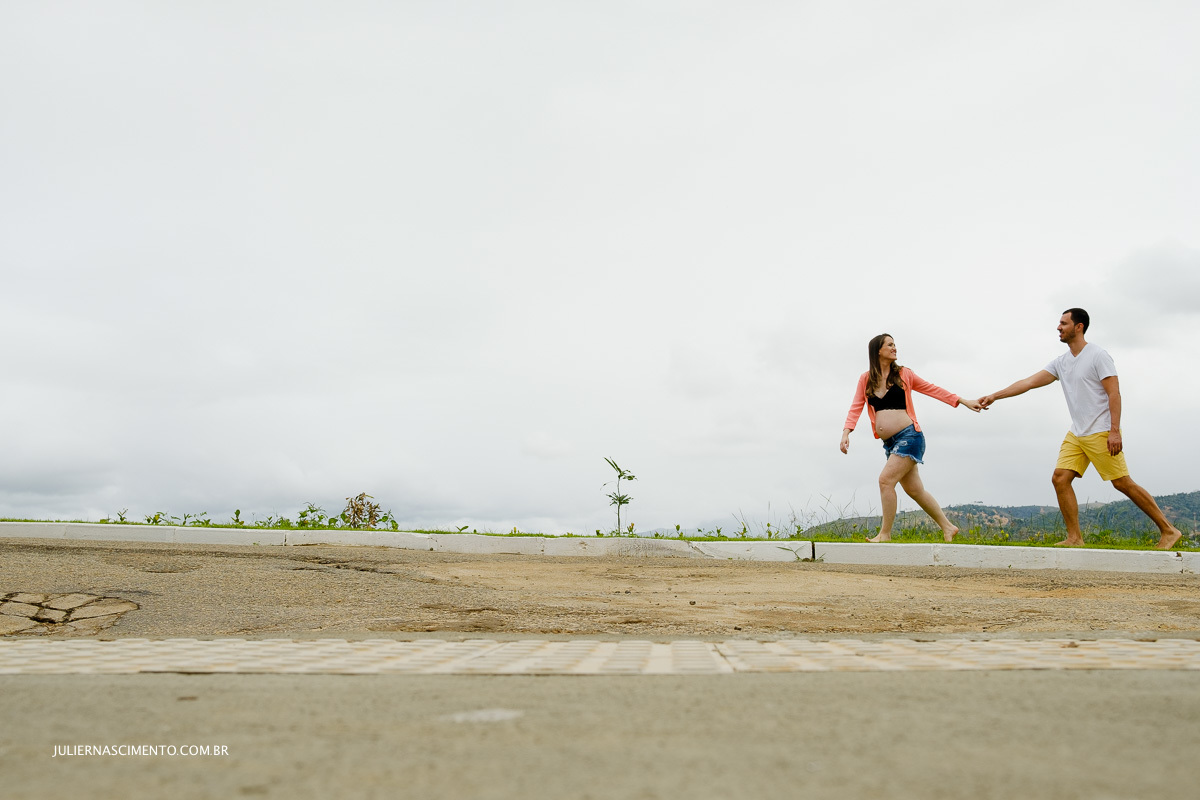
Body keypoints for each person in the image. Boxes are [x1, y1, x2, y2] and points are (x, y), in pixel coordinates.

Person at [979, 308, 1183, 549]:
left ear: (1079, 327)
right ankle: (1074, 538)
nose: (1058, 327)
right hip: (1077, 432)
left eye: (1064, 323)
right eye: (1059, 323)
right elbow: (1029, 382)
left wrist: (1114, 430)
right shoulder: (1061, 362)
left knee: (1122, 483)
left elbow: (1114, 393)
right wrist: (995, 395)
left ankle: (1169, 530)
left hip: (1101, 430)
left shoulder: (1098, 355)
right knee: (1060, 478)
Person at [841, 334, 983, 542]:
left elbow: (932, 389)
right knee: (915, 490)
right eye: (889, 345)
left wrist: (962, 400)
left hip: (910, 436)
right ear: (878, 350)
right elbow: (856, 406)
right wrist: (846, 432)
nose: (894, 348)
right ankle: (948, 526)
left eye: (894, 344)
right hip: (890, 443)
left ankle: (885, 534)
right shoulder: (866, 379)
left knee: (885, 481)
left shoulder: (903, 374)